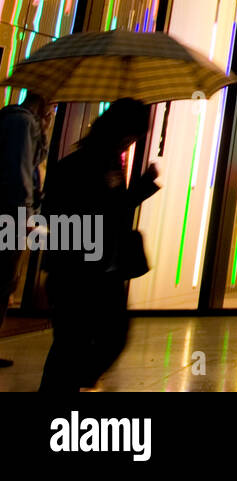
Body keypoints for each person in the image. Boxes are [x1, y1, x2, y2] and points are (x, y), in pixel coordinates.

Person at [39, 99, 157, 392]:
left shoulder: (96, 161)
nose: (132, 143)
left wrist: (139, 188)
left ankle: (72, 381)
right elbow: (103, 211)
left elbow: (109, 208)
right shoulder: (91, 164)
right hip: (84, 270)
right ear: (122, 132)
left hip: (91, 269)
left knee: (80, 342)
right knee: (81, 341)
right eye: (132, 137)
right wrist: (139, 189)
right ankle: (72, 382)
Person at [0, 90, 50, 366]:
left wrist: (42, 130)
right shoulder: (22, 123)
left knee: (6, 278)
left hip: (9, 211)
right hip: (10, 214)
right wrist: (26, 216)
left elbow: (32, 163)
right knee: (4, 278)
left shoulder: (23, 122)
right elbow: (20, 173)